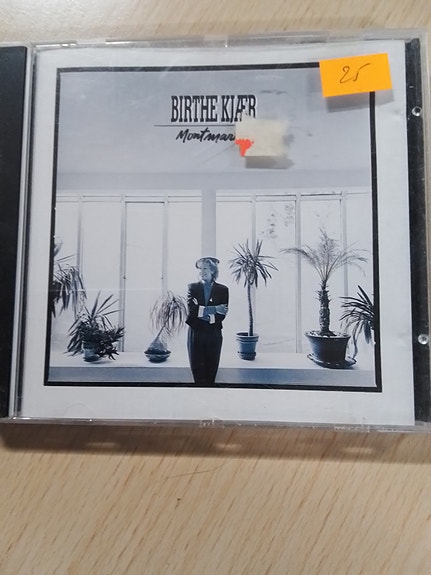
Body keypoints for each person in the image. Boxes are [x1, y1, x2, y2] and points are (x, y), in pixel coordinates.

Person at [186, 257, 229, 386]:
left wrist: (202, 311)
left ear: (213, 270)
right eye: (200, 269)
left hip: (214, 333)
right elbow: (192, 311)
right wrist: (214, 309)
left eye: (205, 268)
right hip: (196, 333)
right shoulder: (192, 287)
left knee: (211, 370)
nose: (202, 271)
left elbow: (222, 314)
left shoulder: (223, 290)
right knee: (197, 371)